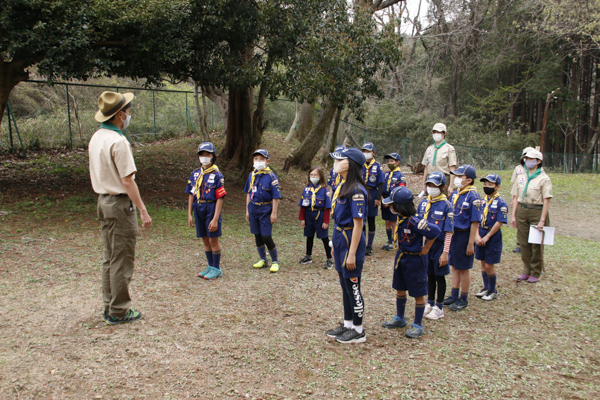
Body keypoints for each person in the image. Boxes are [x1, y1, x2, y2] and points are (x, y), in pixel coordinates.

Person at [89, 91, 152, 325]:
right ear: (119, 115)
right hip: (119, 204)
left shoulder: (97, 137)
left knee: (109, 256)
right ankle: (119, 310)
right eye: (127, 110)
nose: (129, 114)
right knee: (122, 258)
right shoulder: (118, 141)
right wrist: (143, 210)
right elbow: (128, 180)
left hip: (103, 202)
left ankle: (109, 305)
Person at [381, 186, 441, 338]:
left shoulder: (415, 221)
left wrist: (426, 247)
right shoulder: (400, 219)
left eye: (392, 204)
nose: (389, 206)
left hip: (415, 260)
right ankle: (400, 318)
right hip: (402, 258)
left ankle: (417, 324)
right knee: (400, 288)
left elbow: (434, 231)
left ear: (400, 206)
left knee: (418, 292)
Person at [324, 147, 368, 344]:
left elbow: (358, 225)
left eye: (339, 159)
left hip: (351, 239)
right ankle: (348, 323)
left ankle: (358, 330)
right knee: (344, 285)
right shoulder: (342, 186)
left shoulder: (357, 190)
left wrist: (351, 254)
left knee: (353, 286)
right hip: (341, 237)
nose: (336, 163)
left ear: (348, 164)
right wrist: (334, 244)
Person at [443, 164, 482, 311]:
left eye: (460, 177)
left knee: (464, 268)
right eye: (457, 176)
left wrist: (471, 243)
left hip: (465, 236)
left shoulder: (473, 196)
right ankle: (454, 294)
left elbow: (474, 221)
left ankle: (463, 298)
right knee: (454, 266)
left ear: (469, 180)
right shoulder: (455, 194)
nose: (457, 179)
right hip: (453, 235)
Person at [510, 149, 552, 283]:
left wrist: (542, 220)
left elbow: (546, 201)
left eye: (531, 159)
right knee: (524, 242)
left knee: (536, 243)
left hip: (536, 211)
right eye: (526, 158)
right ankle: (526, 270)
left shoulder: (544, 179)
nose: (528, 161)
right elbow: (516, 196)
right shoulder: (521, 176)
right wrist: (514, 215)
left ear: (538, 161)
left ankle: (536, 271)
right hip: (522, 209)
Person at [186, 142, 226, 280]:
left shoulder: (217, 175)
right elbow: (191, 194)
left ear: (213, 156)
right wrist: (189, 214)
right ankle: (210, 266)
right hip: (198, 207)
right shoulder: (195, 174)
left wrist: (215, 218)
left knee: (213, 239)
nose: (204, 157)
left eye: (207, 154)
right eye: (201, 154)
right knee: (204, 239)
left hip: (211, 208)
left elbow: (220, 198)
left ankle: (216, 268)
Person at [417, 172, 454, 320]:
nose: (431, 188)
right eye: (429, 185)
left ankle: (439, 306)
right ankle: (430, 302)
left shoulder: (446, 205)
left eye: (435, 186)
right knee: (429, 275)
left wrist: (445, 253)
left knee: (439, 276)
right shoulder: (424, 203)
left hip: (439, 246)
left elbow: (449, 231)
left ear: (443, 187)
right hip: (426, 246)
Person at [244, 149, 282, 273]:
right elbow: (249, 193)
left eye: (261, 159)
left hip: (266, 209)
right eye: (256, 159)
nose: (258, 161)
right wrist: (247, 210)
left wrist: (274, 213)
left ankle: (275, 261)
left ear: (267, 161)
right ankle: (263, 259)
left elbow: (276, 196)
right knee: (257, 235)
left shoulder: (271, 176)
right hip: (253, 208)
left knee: (266, 236)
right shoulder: (252, 175)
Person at [475, 173, 508, 300]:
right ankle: (486, 287)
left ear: (497, 187)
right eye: (485, 184)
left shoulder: (501, 203)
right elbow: (476, 219)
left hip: (492, 236)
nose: (486, 187)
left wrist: (487, 236)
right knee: (483, 263)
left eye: (490, 184)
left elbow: (499, 222)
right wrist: (477, 236)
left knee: (489, 265)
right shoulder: (482, 202)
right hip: (480, 233)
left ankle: (492, 290)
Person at [298, 167, 333, 269]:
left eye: (315, 175)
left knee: (324, 238)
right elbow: (303, 205)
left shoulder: (324, 190)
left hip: (320, 216)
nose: (313, 177)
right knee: (309, 236)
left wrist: (326, 221)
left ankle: (329, 259)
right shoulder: (306, 189)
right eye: (311, 175)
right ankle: (308, 256)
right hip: (309, 215)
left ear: (320, 176)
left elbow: (327, 207)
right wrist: (302, 218)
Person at [421, 123, 457, 197]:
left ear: (444, 133)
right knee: (430, 201)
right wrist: (424, 184)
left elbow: (452, 168)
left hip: (443, 179)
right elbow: (426, 167)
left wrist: (450, 186)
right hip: (430, 179)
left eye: (438, 132)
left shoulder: (449, 148)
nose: (435, 134)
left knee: (442, 202)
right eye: (434, 132)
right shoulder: (429, 149)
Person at [361, 142, 384, 255]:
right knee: (361, 219)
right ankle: (361, 243)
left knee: (371, 219)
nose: (366, 153)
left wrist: (378, 198)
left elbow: (380, 184)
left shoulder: (378, 166)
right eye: (364, 151)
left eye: (368, 151)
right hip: (361, 193)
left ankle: (369, 245)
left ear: (373, 153)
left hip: (373, 193)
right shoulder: (360, 164)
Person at [510, 147, 534, 253]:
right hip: (519, 199)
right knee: (520, 224)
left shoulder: (538, 170)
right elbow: (514, 185)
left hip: (531, 201)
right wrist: (512, 199)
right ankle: (519, 244)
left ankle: (531, 244)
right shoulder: (518, 169)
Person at [381, 153, 406, 251]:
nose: (389, 163)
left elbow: (402, 190)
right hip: (385, 201)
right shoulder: (386, 174)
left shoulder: (400, 175)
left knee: (393, 222)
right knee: (387, 222)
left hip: (394, 202)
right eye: (388, 161)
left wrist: (392, 202)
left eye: (391, 161)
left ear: (397, 162)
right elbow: (381, 188)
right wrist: (383, 199)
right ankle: (389, 240)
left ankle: (395, 241)